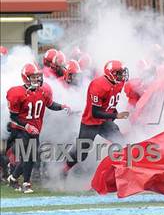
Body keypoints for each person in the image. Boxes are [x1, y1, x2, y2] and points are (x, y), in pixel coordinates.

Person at [6, 63, 70, 193]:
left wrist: (62, 106)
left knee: (30, 156)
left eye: (37, 77)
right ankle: (26, 183)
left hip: (34, 130)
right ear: (26, 77)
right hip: (20, 129)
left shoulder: (42, 91)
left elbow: (50, 104)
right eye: (34, 77)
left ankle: (13, 178)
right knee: (29, 155)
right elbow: (13, 116)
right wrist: (27, 126)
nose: (37, 79)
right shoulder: (17, 93)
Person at [64, 60, 130, 173]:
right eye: (120, 73)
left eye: (123, 72)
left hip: (104, 121)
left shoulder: (119, 82)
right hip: (91, 122)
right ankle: (63, 169)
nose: (123, 75)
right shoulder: (98, 85)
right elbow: (95, 113)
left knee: (121, 142)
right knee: (81, 154)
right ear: (111, 74)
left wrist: (113, 112)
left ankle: (121, 172)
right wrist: (116, 115)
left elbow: (110, 101)